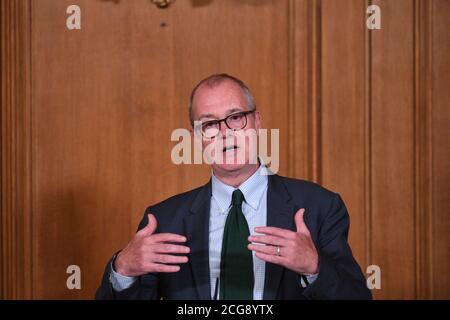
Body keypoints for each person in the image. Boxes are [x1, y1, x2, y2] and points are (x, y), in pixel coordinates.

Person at [95, 74, 372, 300]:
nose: (226, 132)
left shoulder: (319, 207)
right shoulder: (165, 220)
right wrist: (123, 271)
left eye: (236, 117)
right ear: (196, 138)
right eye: (210, 124)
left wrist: (315, 268)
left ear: (257, 122)